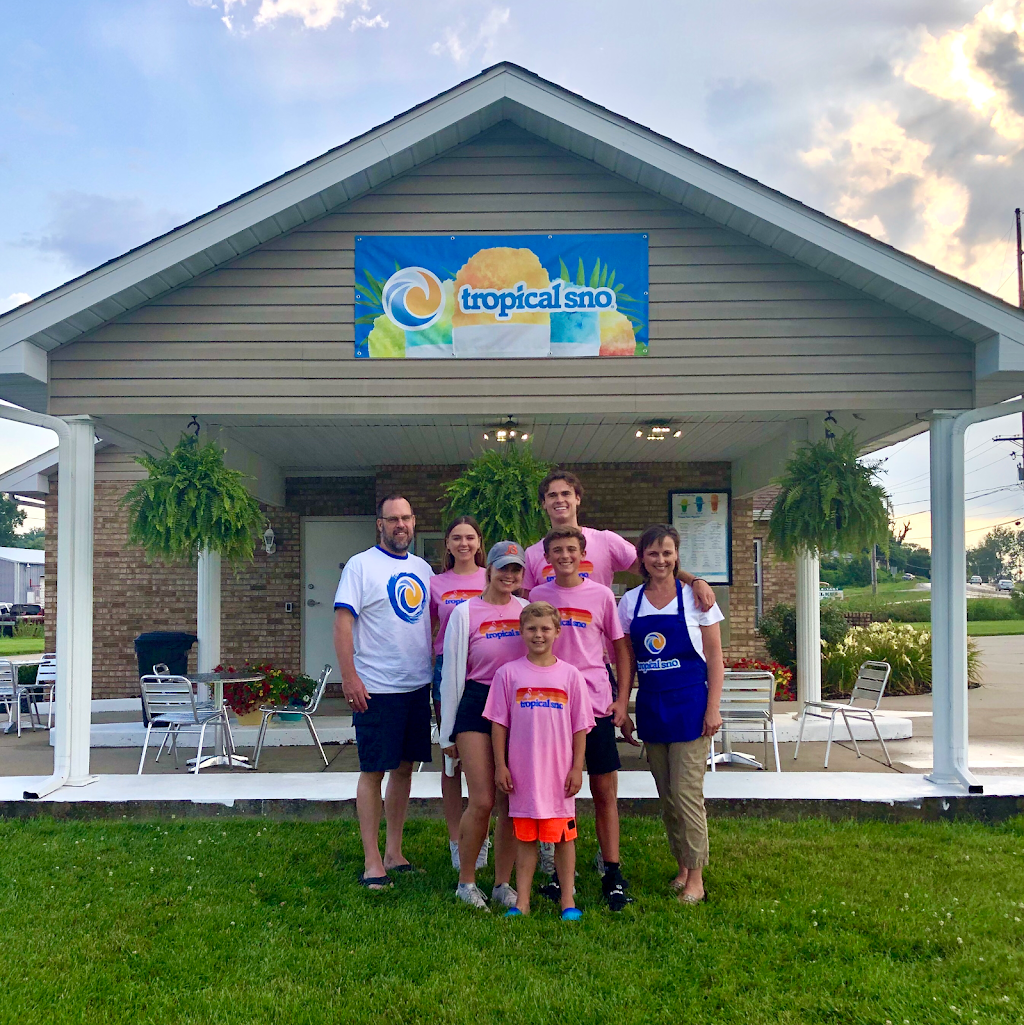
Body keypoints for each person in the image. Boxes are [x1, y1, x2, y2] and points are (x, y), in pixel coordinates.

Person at [529, 526, 635, 912]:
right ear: (547, 558)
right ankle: (561, 873)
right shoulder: (539, 596)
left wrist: (622, 700)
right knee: (561, 792)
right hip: (553, 709)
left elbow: (621, 649)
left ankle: (611, 870)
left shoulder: (602, 595)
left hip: (596, 704)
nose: (564, 556)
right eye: (556, 550)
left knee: (605, 790)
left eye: (571, 549)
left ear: (582, 553)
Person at [617, 524, 724, 905]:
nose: (660, 560)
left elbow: (715, 658)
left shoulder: (698, 599)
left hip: (691, 705)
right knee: (667, 795)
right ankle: (682, 864)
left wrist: (713, 708)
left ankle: (696, 878)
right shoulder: (630, 602)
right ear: (641, 559)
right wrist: (623, 702)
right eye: (653, 554)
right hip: (652, 706)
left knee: (687, 792)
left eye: (667, 553)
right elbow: (626, 655)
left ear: (676, 556)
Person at [333, 494, 434, 890]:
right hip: (375, 688)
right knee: (373, 770)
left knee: (405, 769)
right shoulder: (360, 566)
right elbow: (343, 625)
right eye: (392, 519)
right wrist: (350, 677)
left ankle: (394, 851)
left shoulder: (423, 569)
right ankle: (372, 860)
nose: (400, 525)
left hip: (415, 685)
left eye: (406, 518)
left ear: (414, 521)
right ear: (380, 524)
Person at [486, 601, 594, 920]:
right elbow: (498, 724)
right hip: (522, 776)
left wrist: (577, 767)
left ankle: (567, 903)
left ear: (558, 632)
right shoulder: (508, 674)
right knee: (526, 839)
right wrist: (502, 765)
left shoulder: (570, 676)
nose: (538, 635)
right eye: (532, 629)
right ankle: (523, 901)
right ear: (521, 632)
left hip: (559, 777)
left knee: (563, 838)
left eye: (546, 628)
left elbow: (580, 727)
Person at [440, 541, 529, 910]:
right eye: (503, 568)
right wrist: (447, 732)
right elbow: (451, 675)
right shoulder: (464, 614)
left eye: (516, 569)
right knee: (482, 799)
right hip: (476, 703)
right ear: (488, 568)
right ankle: (467, 881)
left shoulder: (526, 610)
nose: (509, 575)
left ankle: (502, 882)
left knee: (510, 801)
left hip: (517, 708)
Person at [429, 516, 487, 870]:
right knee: (451, 758)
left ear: (479, 542)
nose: (463, 544)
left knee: (486, 758)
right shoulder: (435, 583)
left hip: (485, 675)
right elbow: (427, 630)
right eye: (456, 538)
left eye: (469, 537)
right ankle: (456, 838)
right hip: (446, 672)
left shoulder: (492, 577)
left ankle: (481, 833)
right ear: (447, 545)